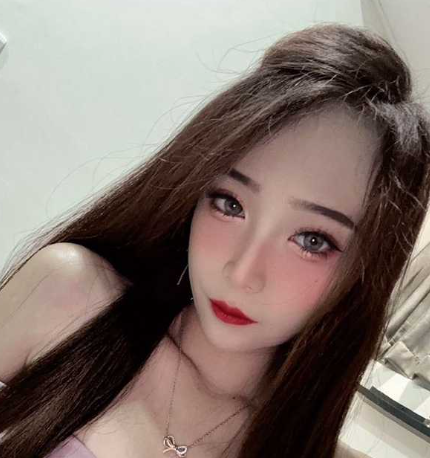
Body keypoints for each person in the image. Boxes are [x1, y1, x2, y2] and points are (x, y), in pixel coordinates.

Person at [0, 23, 429, 458]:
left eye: (312, 240)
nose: (242, 273)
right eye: (230, 204)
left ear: (363, 273)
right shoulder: (70, 299)